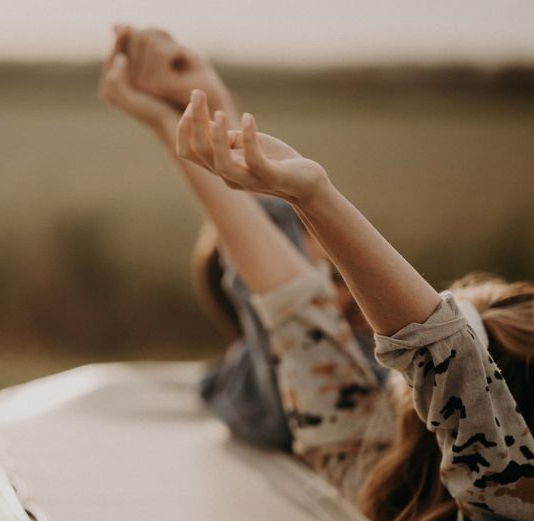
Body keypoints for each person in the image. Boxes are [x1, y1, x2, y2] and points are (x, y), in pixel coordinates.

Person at [176, 87, 534, 521]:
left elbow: (297, 315)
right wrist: (309, 196)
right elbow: (442, 360)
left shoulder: (369, 477)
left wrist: (310, 195)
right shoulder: (508, 501)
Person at [98, 26, 384, 450]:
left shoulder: (404, 361)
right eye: (335, 282)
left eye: (348, 272)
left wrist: (210, 101)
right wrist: (169, 125)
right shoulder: (287, 394)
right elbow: (295, 310)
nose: (358, 294)